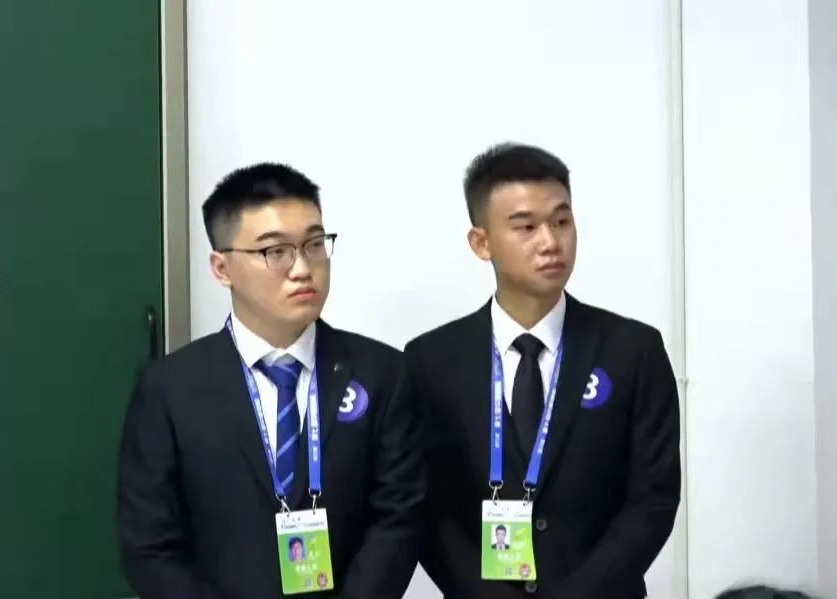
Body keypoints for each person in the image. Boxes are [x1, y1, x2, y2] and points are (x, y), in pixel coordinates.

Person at [118, 163, 425, 599]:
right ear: (222, 268)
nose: (302, 268)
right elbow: (150, 546)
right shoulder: (170, 388)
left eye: (314, 244)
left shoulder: (381, 373)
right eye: (275, 251)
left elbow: (398, 518)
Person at [401, 143, 681, 598]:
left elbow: (653, 501)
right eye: (526, 227)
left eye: (561, 221)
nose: (550, 242)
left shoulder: (633, 350)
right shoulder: (431, 361)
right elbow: (427, 506)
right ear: (481, 243)